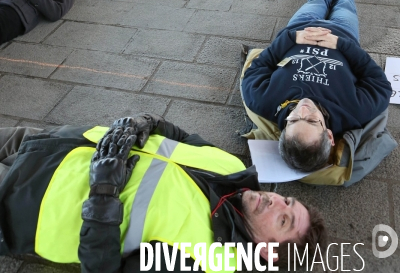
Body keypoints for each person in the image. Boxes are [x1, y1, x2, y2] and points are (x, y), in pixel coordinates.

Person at [0, 115, 326, 270]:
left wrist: (103, 192)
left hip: (27, 201)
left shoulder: (203, 262)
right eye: (288, 200)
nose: (275, 201)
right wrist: (147, 122)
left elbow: (101, 267)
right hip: (54, 144)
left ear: (267, 252)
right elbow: (179, 137)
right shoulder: (235, 173)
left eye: (282, 220)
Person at [241, 0, 392, 173]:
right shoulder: (353, 113)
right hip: (343, 32)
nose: (303, 109)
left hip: (301, 27)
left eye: (293, 121)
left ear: (283, 130)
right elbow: (378, 82)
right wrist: (341, 44)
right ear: (330, 135)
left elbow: (259, 66)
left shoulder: (263, 102)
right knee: (345, 2)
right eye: (312, 121)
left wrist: (292, 38)